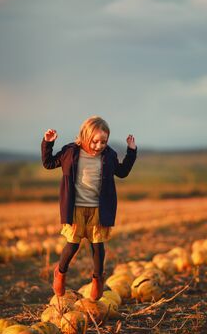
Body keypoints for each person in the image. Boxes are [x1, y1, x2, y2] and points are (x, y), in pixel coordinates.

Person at [41, 116, 137, 300]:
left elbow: (123, 172)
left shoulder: (109, 155)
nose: (99, 145)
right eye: (95, 141)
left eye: (104, 141)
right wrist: (48, 143)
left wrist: (131, 152)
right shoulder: (70, 152)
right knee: (72, 245)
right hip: (75, 208)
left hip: (98, 209)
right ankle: (60, 272)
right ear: (85, 136)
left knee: (97, 246)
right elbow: (48, 163)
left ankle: (97, 279)